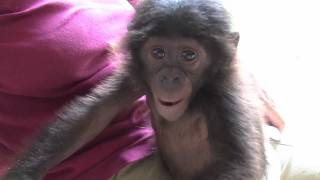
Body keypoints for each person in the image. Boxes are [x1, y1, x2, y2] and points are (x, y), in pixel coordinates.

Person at [0, 0, 285, 179]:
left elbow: (245, 168)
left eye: (188, 56)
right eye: (158, 54)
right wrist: (25, 172)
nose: (170, 77)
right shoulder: (138, 71)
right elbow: (88, 114)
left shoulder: (224, 90)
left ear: (222, 57)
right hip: (115, 161)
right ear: (134, 50)